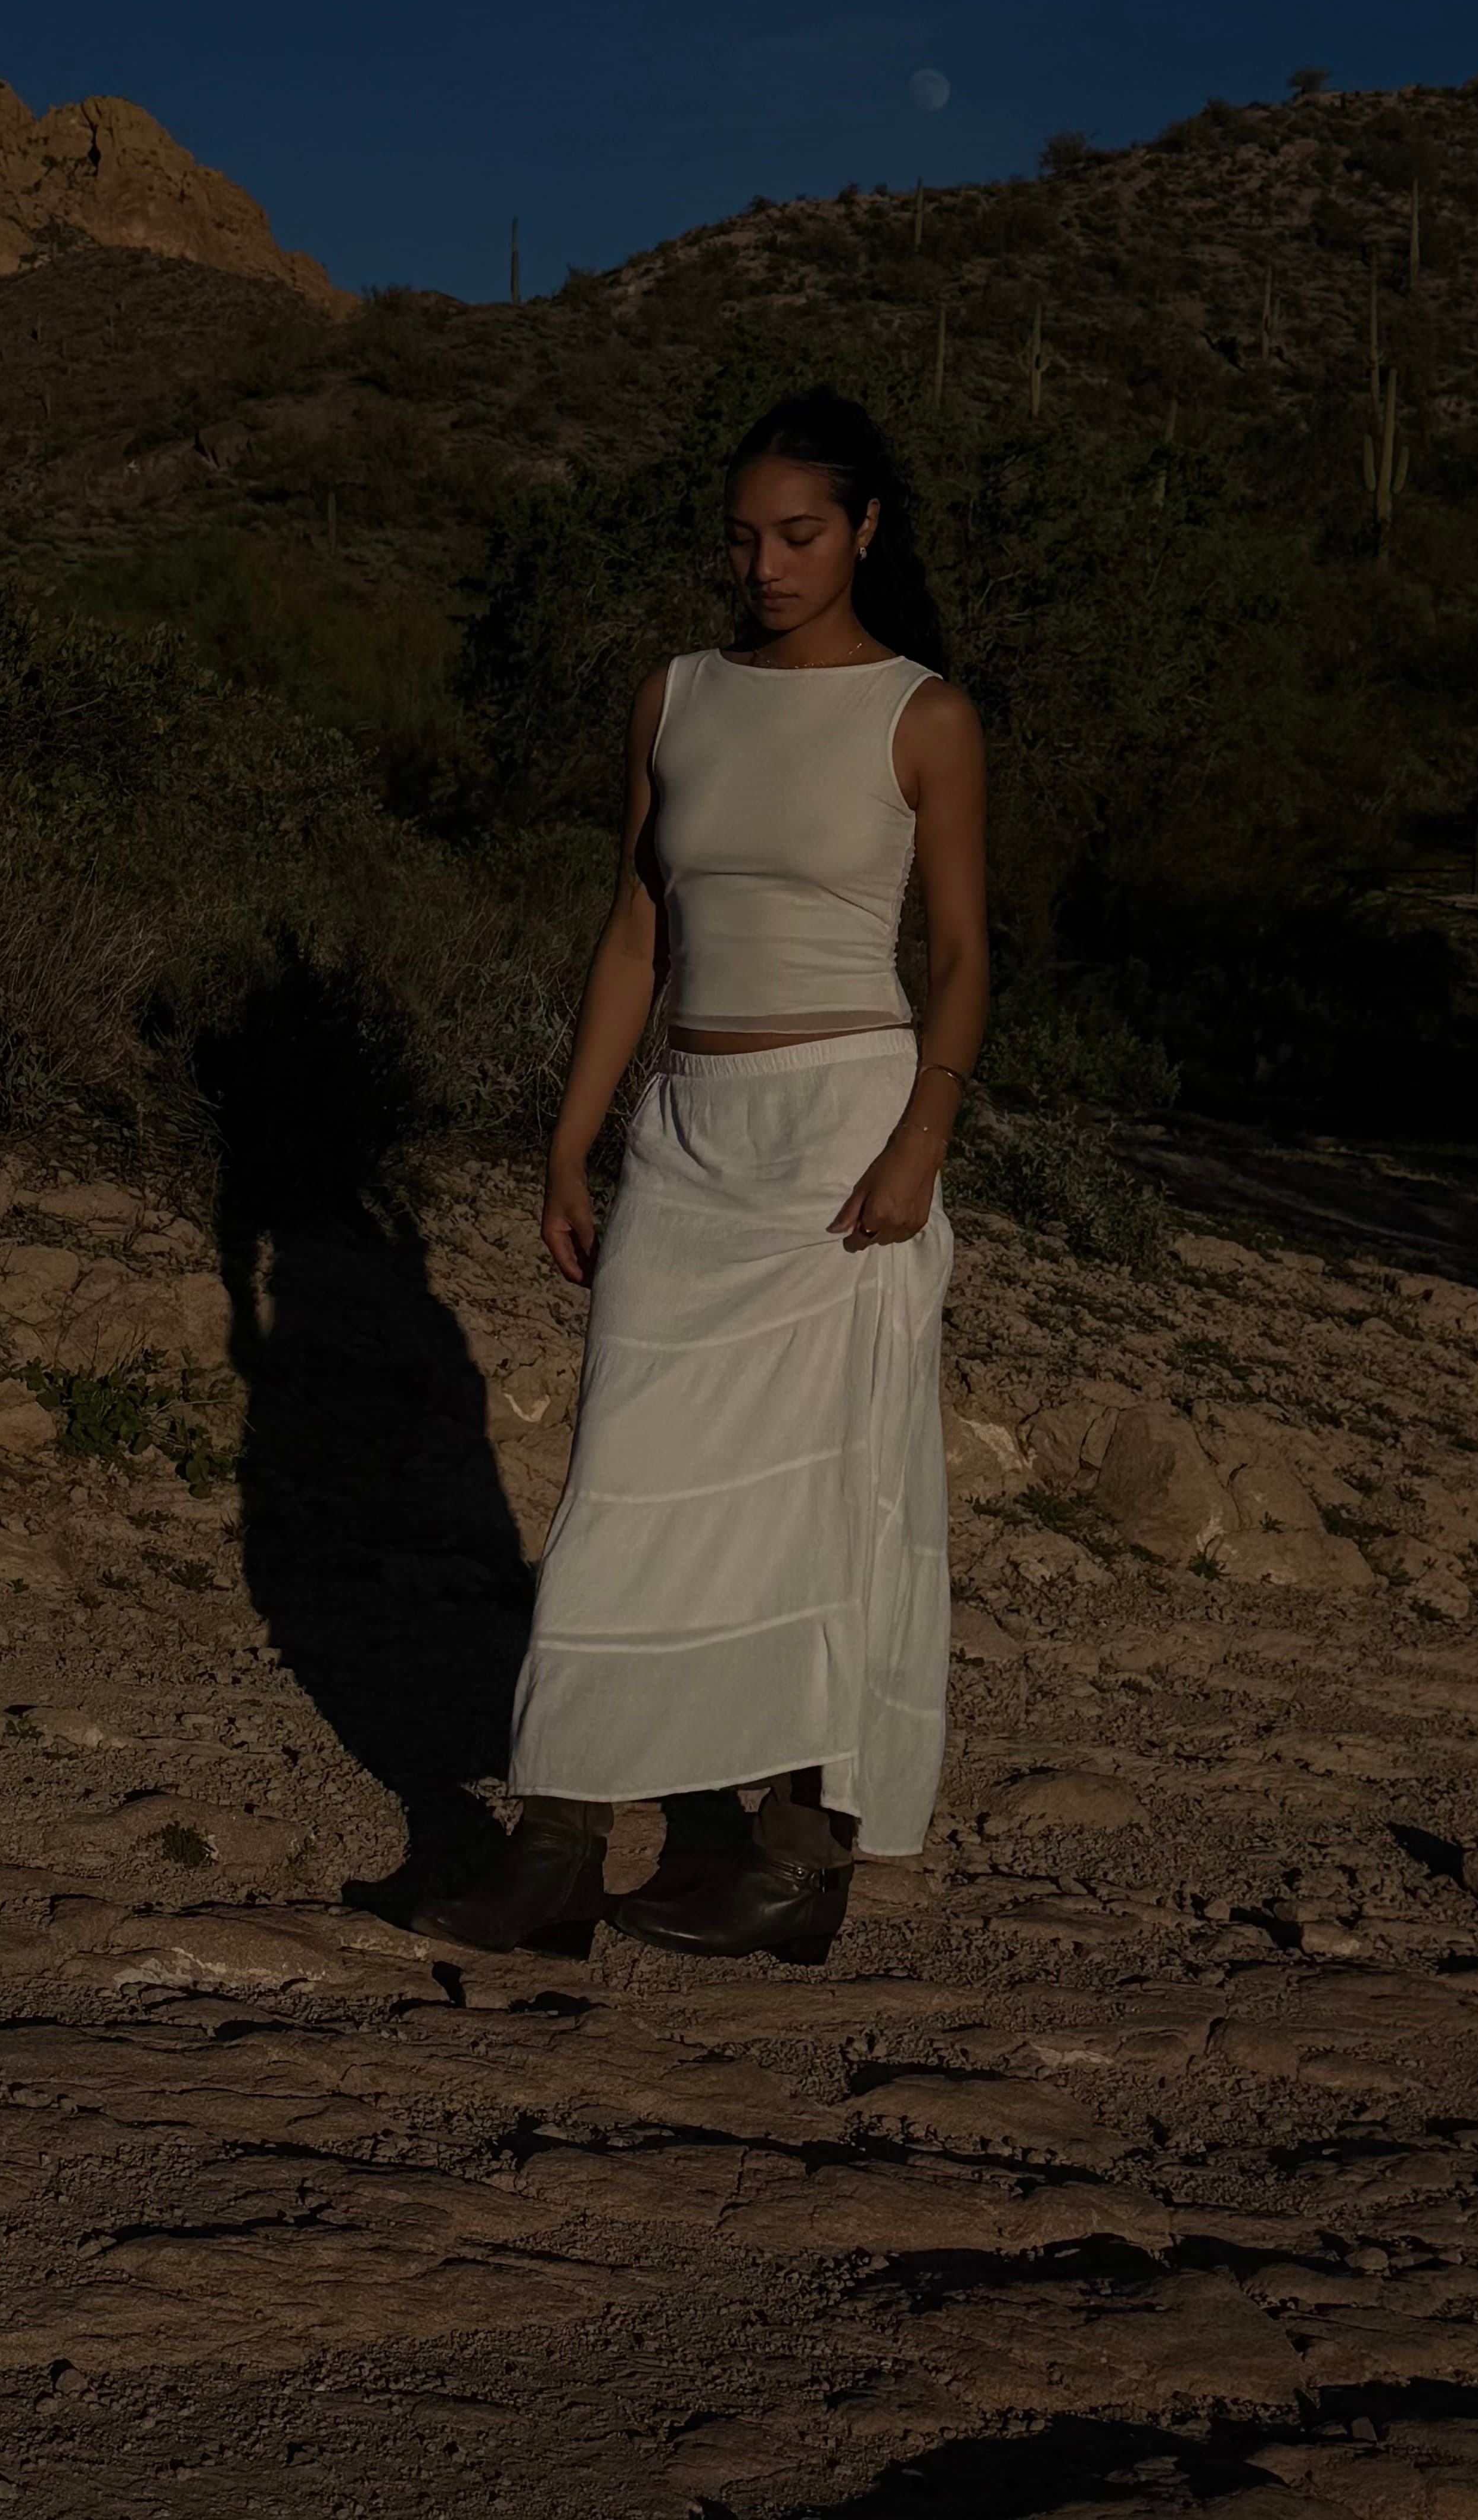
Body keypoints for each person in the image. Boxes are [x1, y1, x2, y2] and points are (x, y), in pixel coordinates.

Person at [414, 386, 989, 1963]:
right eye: (743, 539)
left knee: (811, 1501)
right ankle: (554, 1858)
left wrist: (923, 1133)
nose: (767, 565)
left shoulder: (922, 713)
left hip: (843, 1130)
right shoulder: (675, 697)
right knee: (622, 1487)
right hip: (687, 1129)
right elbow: (635, 927)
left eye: (798, 535)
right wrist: (569, 1135)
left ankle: (791, 1864)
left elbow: (959, 951)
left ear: (864, 531)